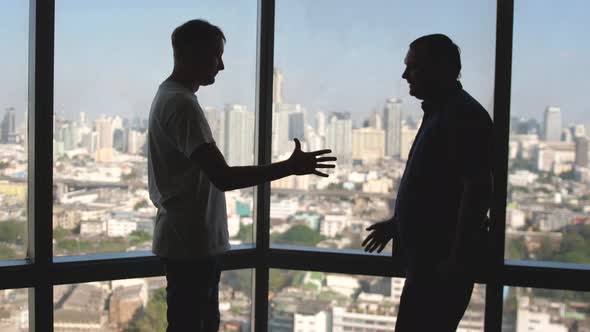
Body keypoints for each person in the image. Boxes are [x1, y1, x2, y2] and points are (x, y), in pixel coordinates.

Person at [148, 19, 336, 332]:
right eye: (216, 55)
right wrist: (288, 167)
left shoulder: (170, 97)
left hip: (186, 241)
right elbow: (223, 176)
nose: (221, 66)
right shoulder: (182, 105)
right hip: (190, 244)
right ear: (192, 54)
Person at [362, 34, 493, 331]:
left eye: (414, 67)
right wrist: (398, 223)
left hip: (439, 268)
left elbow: (476, 191)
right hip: (430, 265)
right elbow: (440, 191)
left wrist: (455, 259)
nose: (405, 75)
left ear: (442, 68)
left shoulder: (463, 116)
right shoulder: (444, 112)